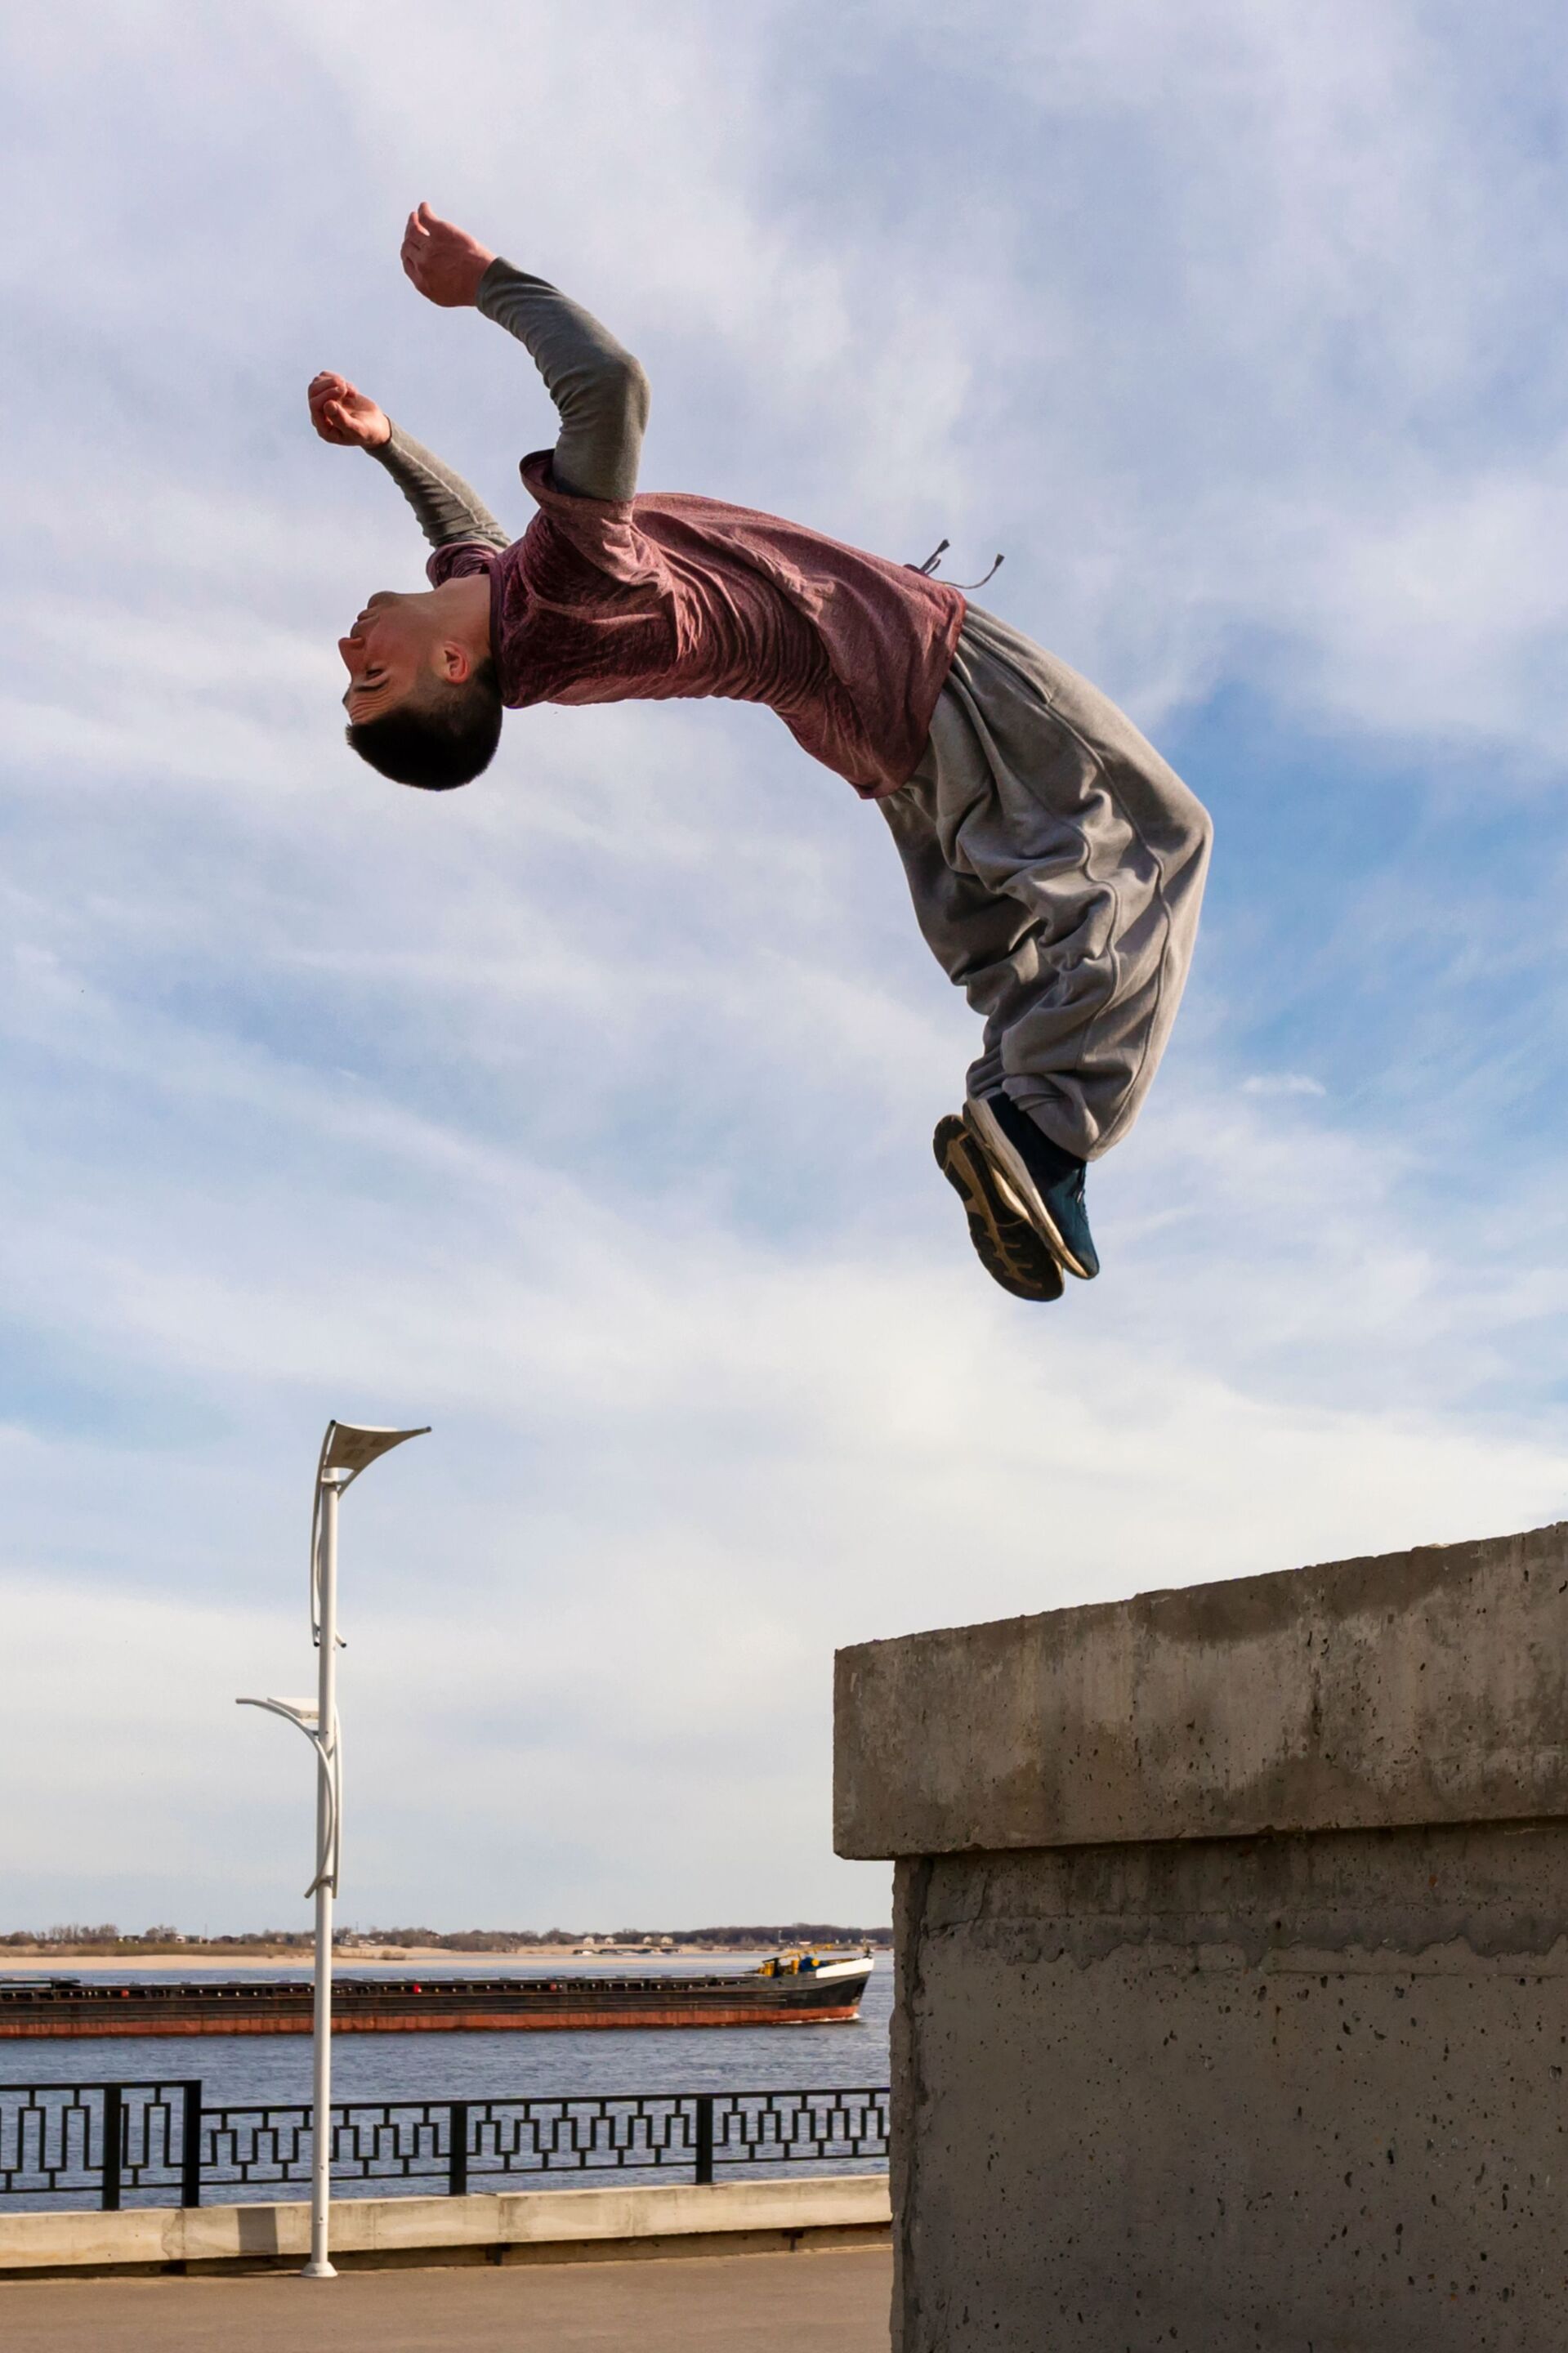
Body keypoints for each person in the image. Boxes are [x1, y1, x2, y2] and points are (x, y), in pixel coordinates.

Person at [310, 205, 1212, 1303]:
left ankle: (1012, 1125)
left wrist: (387, 441)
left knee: (1016, 936)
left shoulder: (496, 598)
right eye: (371, 679)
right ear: (453, 672)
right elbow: (609, 384)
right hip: (915, 664)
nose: (350, 649)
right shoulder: (565, 582)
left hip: (875, 748)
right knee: (1158, 837)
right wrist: (485, 281)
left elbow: (458, 531)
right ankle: (1049, 1131)